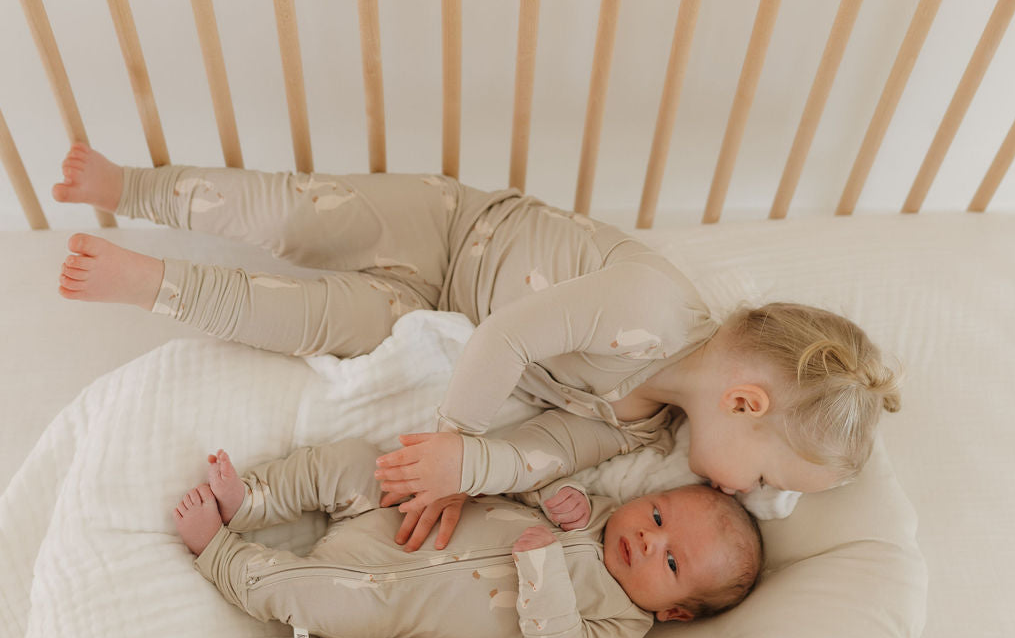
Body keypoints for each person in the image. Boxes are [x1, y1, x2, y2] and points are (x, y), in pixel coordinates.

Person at [53, 146, 902, 552]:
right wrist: (456, 433)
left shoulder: (644, 434)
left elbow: (539, 453)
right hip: (452, 227)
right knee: (297, 215)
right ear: (745, 403)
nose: (749, 496)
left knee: (308, 318)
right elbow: (511, 336)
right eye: (764, 479)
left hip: (428, 314)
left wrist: (464, 475)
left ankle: (155, 284)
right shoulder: (651, 304)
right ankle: (133, 188)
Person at [171, 438, 764, 638]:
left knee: (321, 599)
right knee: (361, 464)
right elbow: (519, 477)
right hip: (414, 513)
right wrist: (554, 495)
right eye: (657, 515)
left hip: (391, 591)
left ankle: (220, 551)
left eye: (671, 563)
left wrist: (544, 572)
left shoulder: (621, 625)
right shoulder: (602, 509)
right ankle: (252, 499)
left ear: (676, 612)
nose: (648, 539)